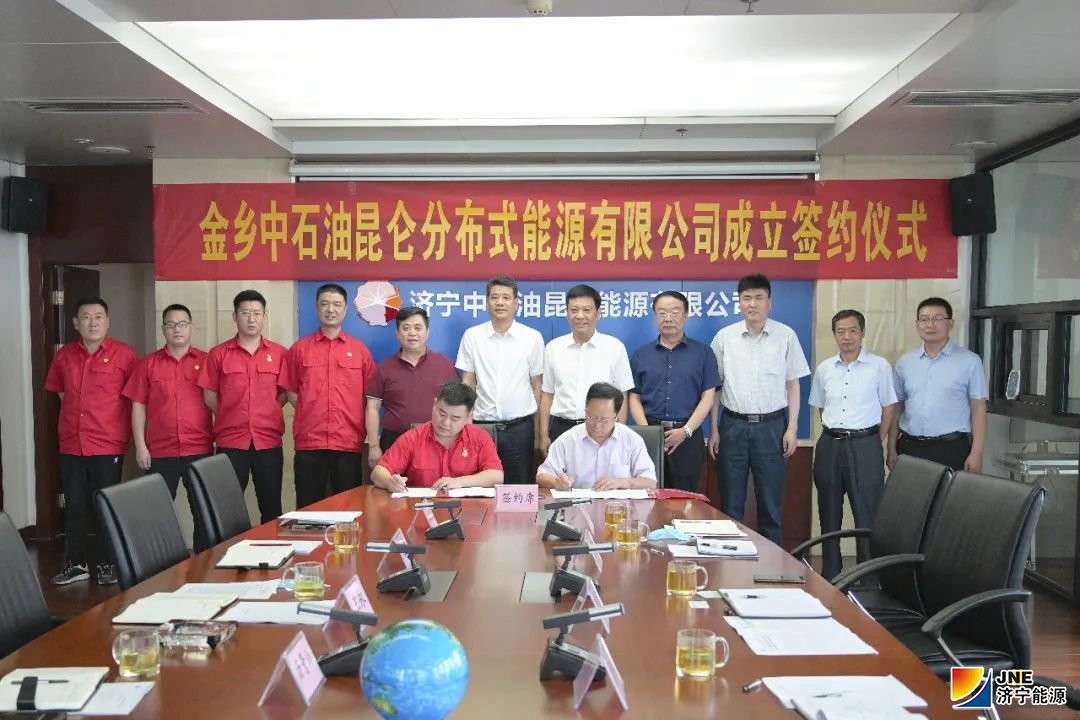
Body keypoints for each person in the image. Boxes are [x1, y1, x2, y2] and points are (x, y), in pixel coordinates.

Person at [709, 273, 809, 545]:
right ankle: (731, 562)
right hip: (733, 427)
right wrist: (714, 429)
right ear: (739, 303)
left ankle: (772, 565)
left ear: (769, 303)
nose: (752, 304)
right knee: (731, 504)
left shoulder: (785, 336)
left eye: (758, 298)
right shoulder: (724, 338)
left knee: (770, 505)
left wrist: (792, 428)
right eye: (746, 298)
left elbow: (793, 385)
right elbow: (715, 388)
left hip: (772, 427)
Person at [45, 296, 137, 585]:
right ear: (76, 323)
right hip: (72, 443)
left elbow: (134, 399)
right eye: (86, 317)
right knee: (75, 505)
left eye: (98, 317)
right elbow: (62, 394)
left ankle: (108, 562)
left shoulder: (125, 356)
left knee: (105, 504)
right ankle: (77, 563)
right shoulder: (64, 356)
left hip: (107, 443)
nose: (92, 323)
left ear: (107, 322)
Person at [808, 309, 898, 580]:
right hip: (830, 445)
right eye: (840, 331)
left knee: (867, 513)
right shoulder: (824, 368)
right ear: (834, 334)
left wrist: (874, 439)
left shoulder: (879, 366)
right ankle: (831, 573)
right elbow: (822, 408)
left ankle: (867, 577)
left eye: (852, 331)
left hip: (865, 444)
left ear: (862, 333)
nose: (846, 336)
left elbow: (889, 407)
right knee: (828, 510)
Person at [122, 303, 213, 548]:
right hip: (160, 451)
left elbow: (217, 401)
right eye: (171, 325)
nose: (177, 329)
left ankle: (202, 564)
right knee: (157, 514)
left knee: (203, 513)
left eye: (182, 324)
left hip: (199, 448)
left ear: (192, 328)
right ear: (163, 329)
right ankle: (162, 564)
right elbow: (138, 405)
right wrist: (140, 446)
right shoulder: (148, 364)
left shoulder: (206, 361)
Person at [280, 284, 376, 508]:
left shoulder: (360, 351)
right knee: (308, 508)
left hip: (348, 441)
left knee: (350, 508)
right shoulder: (299, 349)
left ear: (345, 309)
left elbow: (371, 395)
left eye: (336, 304)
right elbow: (290, 389)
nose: (330, 309)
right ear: (317, 308)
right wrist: (309, 409)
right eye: (324, 304)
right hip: (310, 442)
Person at [198, 289, 287, 524]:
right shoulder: (218, 354)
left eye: (257, 313)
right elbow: (209, 394)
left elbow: (284, 394)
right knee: (226, 510)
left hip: (268, 441)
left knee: (271, 508)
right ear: (235, 316)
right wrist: (229, 414)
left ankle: (271, 548)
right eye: (245, 313)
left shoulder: (279, 354)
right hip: (230, 442)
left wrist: (266, 411)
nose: (251, 319)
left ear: (264, 317)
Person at [628, 290, 719, 492]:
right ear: (655, 317)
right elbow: (634, 397)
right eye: (662, 313)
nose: (668, 318)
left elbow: (708, 397)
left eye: (674, 312)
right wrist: (648, 434)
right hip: (650, 434)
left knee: (685, 499)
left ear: (686, 316)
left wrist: (685, 431)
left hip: (688, 436)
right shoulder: (641, 355)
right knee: (648, 496)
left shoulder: (703, 353)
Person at [456, 275, 544, 484]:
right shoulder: (473, 336)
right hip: (481, 426)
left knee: (518, 488)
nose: (500, 302)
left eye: (506, 297)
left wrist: (538, 432)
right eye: (494, 297)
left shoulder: (532, 338)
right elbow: (468, 381)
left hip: (519, 428)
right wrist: (464, 421)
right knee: (480, 487)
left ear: (516, 303)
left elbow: (538, 386)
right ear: (487, 303)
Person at [888, 297, 988, 472]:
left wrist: (977, 452)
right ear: (917, 324)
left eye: (937, 318)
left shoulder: (970, 361)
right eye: (924, 319)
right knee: (909, 491)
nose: (930, 325)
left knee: (951, 492)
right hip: (910, 448)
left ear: (950, 324)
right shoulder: (905, 363)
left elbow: (978, 409)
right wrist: (891, 448)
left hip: (951, 449)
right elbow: (897, 409)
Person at [539, 284, 634, 450]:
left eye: (586, 310)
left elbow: (622, 395)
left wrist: (618, 434)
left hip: (601, 429)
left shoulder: (614, 347)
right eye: (574, 310)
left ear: (598, 313)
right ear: (567, 313)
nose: (580, 316)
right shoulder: (553, 348)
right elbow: (547, 394)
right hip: (561, 429)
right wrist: (543, 435)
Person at [366, 306, 459, 468]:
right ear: (397, 333)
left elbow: (458, 405)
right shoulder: (385, 368)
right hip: (394, 441)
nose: (412, 333)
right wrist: (374, 446)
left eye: (418, 328)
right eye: (406, 328)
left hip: (436, 441)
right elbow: (372, 408)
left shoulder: (445, 365)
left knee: (433, 484)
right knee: (391, 484)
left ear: (427, 332)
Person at [371, 381, 503, 493]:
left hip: (468, 510)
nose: (445, 423)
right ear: (434, 405)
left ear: (469, 417)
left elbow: (496, 476)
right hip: (422, 508)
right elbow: (378, 472)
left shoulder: (480, 438)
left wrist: (460, 482)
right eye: (442, 414)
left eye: (455, 418)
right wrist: (389, 482)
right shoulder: (413, 438)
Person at [538, 382, 657, 490]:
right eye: (591, 417)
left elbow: (650, 482)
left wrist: (620, 482)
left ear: (616, 417)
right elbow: (542, 476)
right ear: (585, 411)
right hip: (579, 505)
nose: (597, 425)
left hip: (619, 506)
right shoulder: (568, 439)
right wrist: (556, 482)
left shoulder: (632, 440)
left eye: (604, 420)